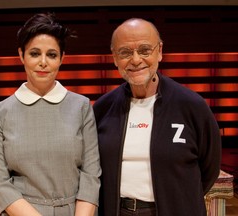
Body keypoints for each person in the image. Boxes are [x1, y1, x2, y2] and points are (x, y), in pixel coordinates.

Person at [93, 18, 221, 216]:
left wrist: (178, 199)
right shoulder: (103, 108)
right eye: (125, 53)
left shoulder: (191, 106)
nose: (135, 60)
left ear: (159, 51)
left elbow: (209, 168)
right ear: (115, 58)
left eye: (144, 50)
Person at [0, 13, 101, 216]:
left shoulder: (81, 106)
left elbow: (91, 174)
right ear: (21, 55)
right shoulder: (1, 112)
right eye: (34, 53)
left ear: (62, 58)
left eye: (51, 54)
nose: (43, 62)